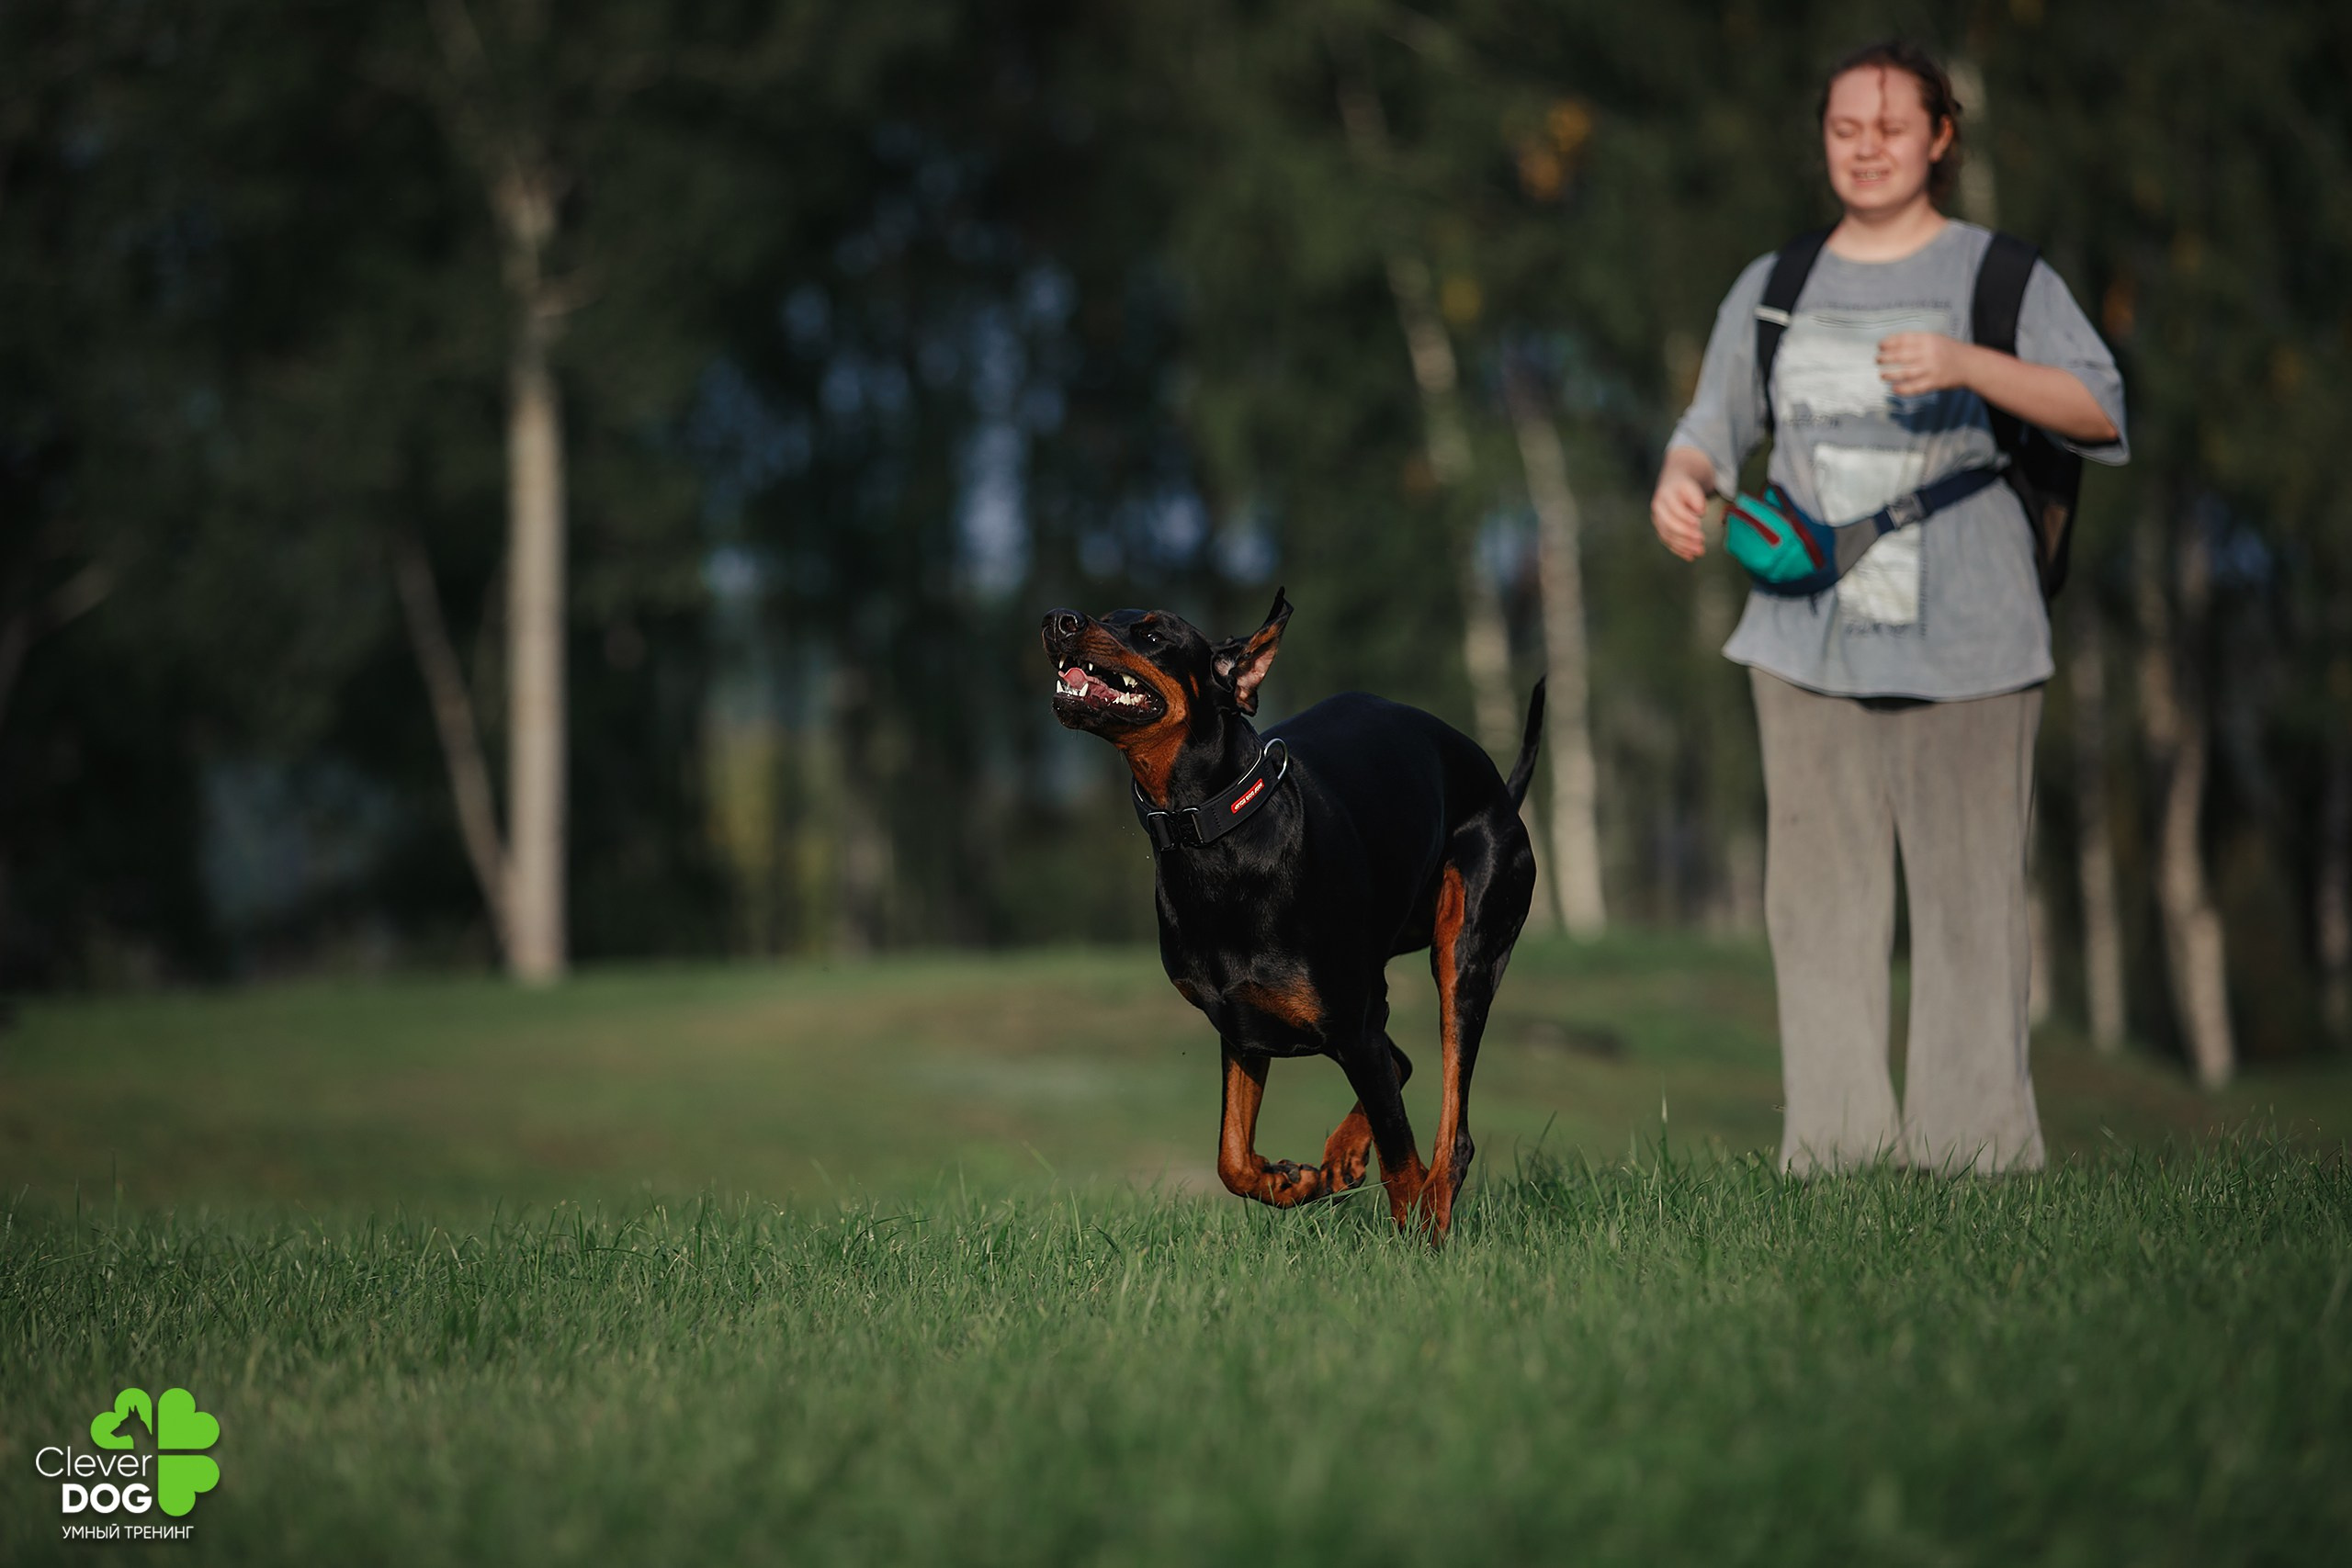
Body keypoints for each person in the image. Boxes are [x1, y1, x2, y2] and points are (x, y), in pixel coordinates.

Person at [1650, 39, 2128, 1176]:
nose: (1866, 150)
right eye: (1844, 129)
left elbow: (2100, 410)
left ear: (1940, 138)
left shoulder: (2000, 277)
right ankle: (1838, 1161)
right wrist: (1681, 479)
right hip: (1802, 644)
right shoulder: (1775, 284)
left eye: (1891, 129)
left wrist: (1969, 364)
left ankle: (1975, 1160)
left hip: (1975, 643)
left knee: (1971, 910)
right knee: (1815, 910)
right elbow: (1711, 427)